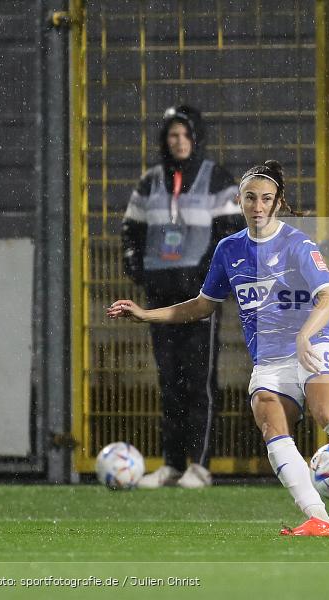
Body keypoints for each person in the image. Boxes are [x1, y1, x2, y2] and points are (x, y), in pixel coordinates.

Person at [109, 160, 329, 536]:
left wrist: (305, 334)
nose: (258, 206)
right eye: (250, 198)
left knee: (328, 415)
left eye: (266, 199)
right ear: (240, 201)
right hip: (270, 360)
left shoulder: (297, 243)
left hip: (314, 341)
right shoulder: (229, 250)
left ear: (278, 203)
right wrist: (146, 315)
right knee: (271, 424)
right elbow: (201, 305)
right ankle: (319, 518)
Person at [120, 105, 242, 489]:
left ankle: (200, 465)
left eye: (186, 135)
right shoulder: (150, 180)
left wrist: (205, 273)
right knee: (169, 380)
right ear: (165, 140)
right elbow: (131, 229)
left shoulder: (215, 177)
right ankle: (172, 464)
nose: (179, 142)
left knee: (199, 380)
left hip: (199, 297)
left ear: (196, 137)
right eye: (173, 135)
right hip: (159, 295)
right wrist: (135, 266)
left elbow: (230, 230)